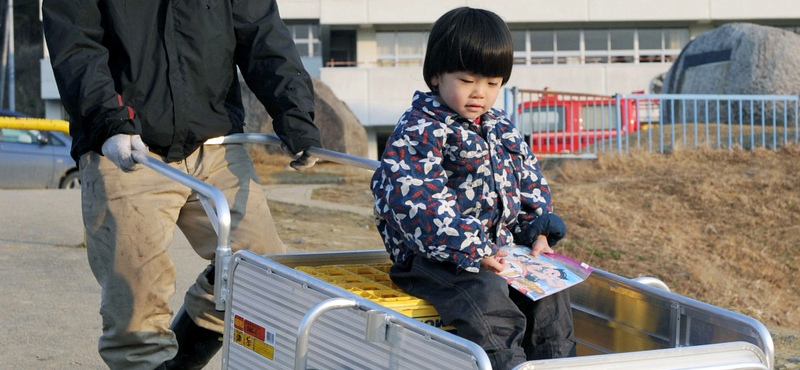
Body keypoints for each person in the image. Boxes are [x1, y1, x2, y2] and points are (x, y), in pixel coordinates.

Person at [41, 1, 320, 369]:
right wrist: (109, 122)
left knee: (261, 274)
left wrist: (295, 116)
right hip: (128, 147)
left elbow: (263, 36)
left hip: (215, 142)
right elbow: (77, 46)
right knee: (137, 305)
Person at [370, 7, 575, 370]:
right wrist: (472, 248)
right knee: (488, 296)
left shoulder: (501, 127)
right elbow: (415, 199)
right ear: (436, 75)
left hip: (499, 251)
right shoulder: (420, 129)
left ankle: (558, 365)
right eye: (467, 80)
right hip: (436, 258)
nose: (479, 93)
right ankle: (508, 365)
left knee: (550, 296)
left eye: (492, 83)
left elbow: (528, 182)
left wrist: (537, 229)